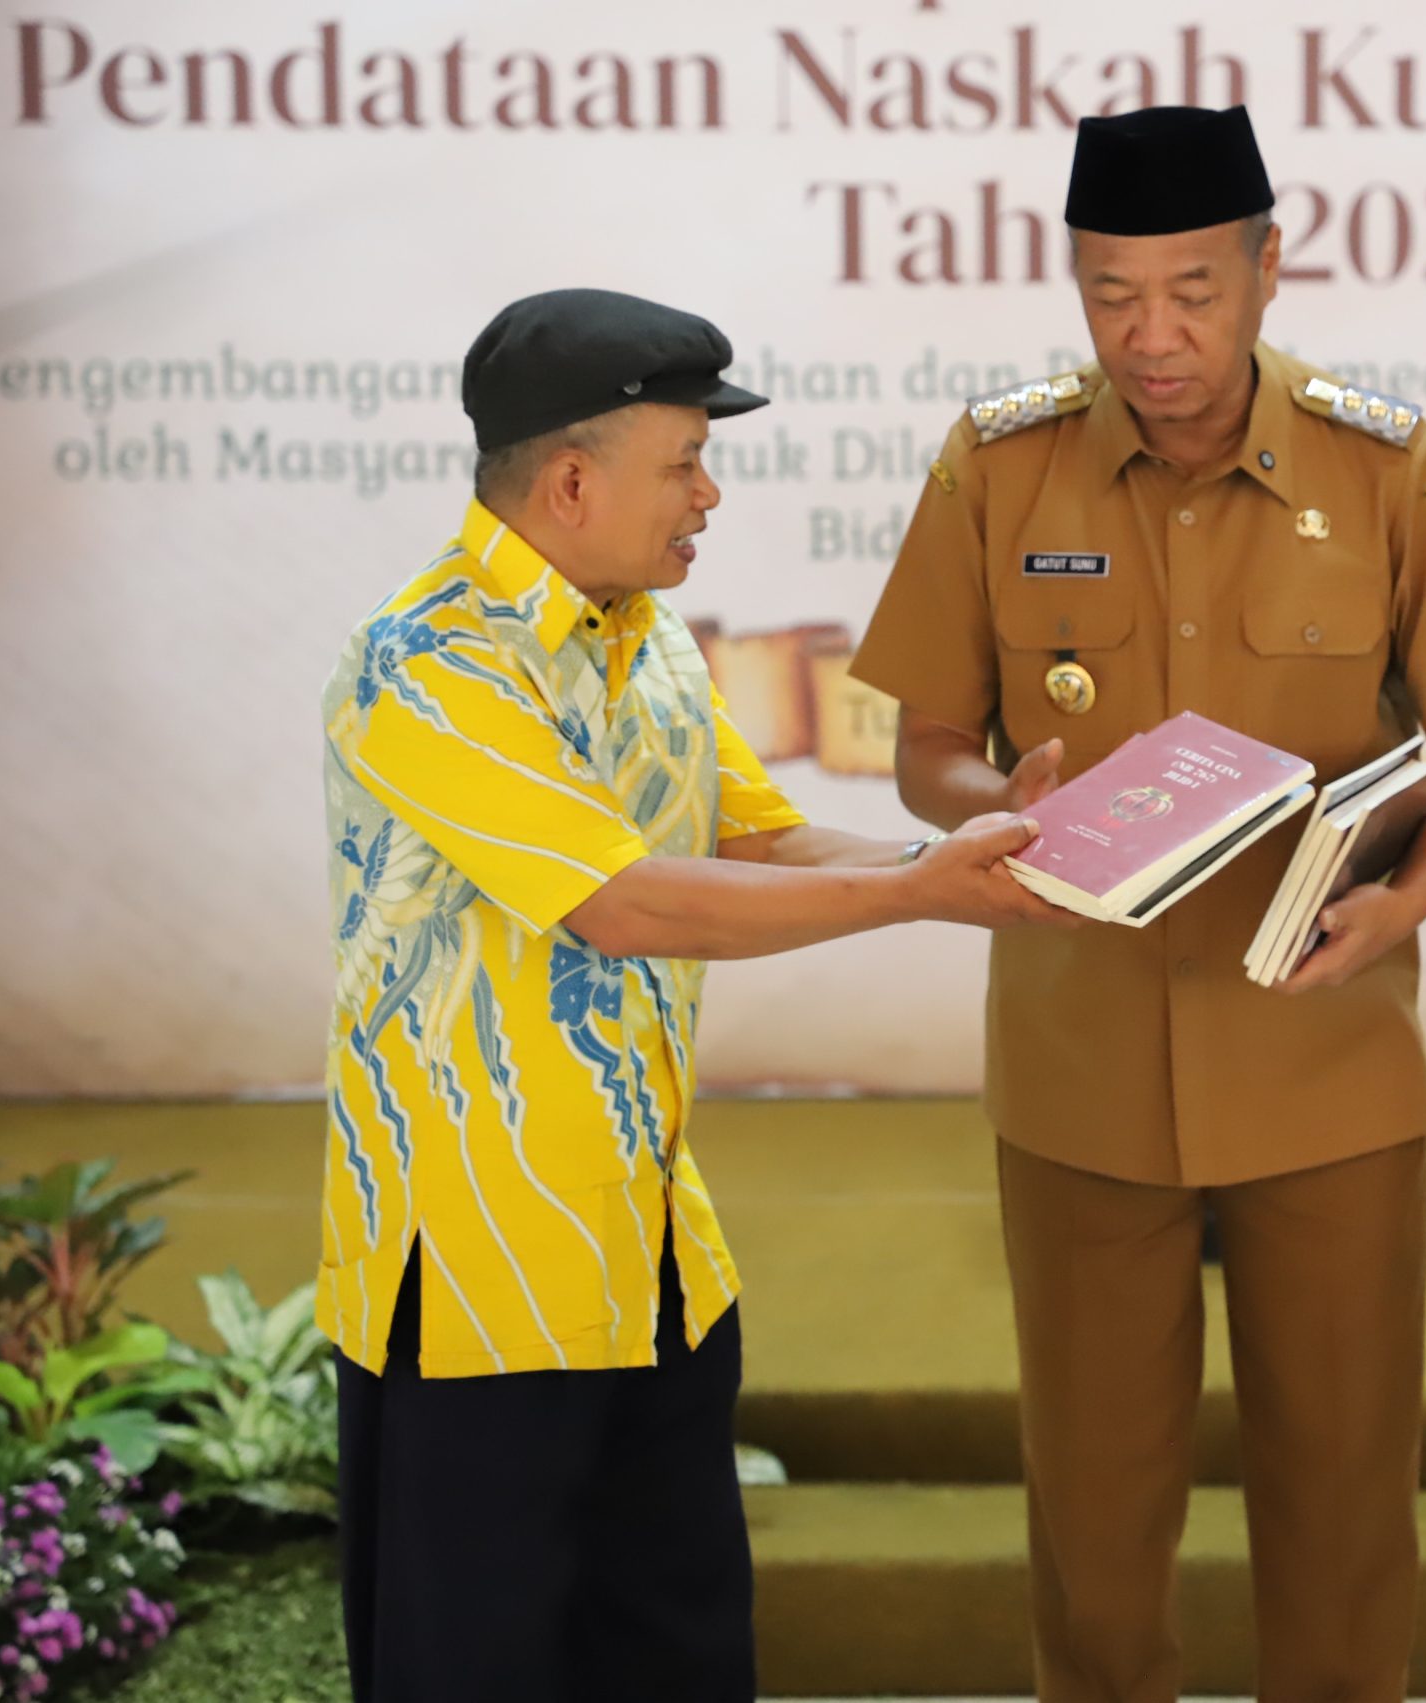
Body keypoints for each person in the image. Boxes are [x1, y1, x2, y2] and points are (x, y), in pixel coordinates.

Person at [849, 107, 1426, 1702]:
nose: (1151, 335)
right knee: (1094, 1523)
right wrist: (994, 808)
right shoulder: (999, 464)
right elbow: (926, 744)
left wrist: (1407, 904)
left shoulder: (1385, 467)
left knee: (1347, 1503)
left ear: (1267, 267)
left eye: (1191, 291)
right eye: (1111, 294)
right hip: (1080, 1072)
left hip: (1326, 1062)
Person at [318, 287, 1062, 1703]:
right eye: (685, 463)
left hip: (652, 1256)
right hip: (480, 1277)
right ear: (571, 483)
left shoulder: (648, 638)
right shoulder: (423, 662)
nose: (708, 494)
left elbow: (759, 841)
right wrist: (919, 892)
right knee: (475, 1669)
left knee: (682, 1652)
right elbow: (623, 901)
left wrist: (971, 852)